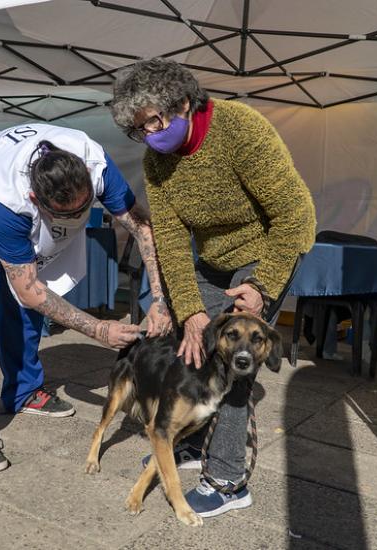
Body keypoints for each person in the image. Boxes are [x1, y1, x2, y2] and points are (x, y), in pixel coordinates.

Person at [110, 58, 316, 517]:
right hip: (212, 258)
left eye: (154, 123)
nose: (149, 136)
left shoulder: (241, 129)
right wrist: (190, 311)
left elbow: (295, 215)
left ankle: (227, 479)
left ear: (183, 102)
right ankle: (189, 439)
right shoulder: (156, 160)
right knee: (192, 350)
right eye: (139, 130)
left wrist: (262, 285)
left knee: (237, 366)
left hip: (266, 250)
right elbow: (169, 238)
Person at [0, 122, 171, 473]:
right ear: (36, 200)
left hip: (12, 189)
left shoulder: (97, 164)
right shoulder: (8, 202)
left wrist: (159, 299)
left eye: (84, 209)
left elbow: (141, 226)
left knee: (41, 285)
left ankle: (23, 389)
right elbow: (29, 291)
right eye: (68, 215)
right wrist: (98, 329)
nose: (77, 219)